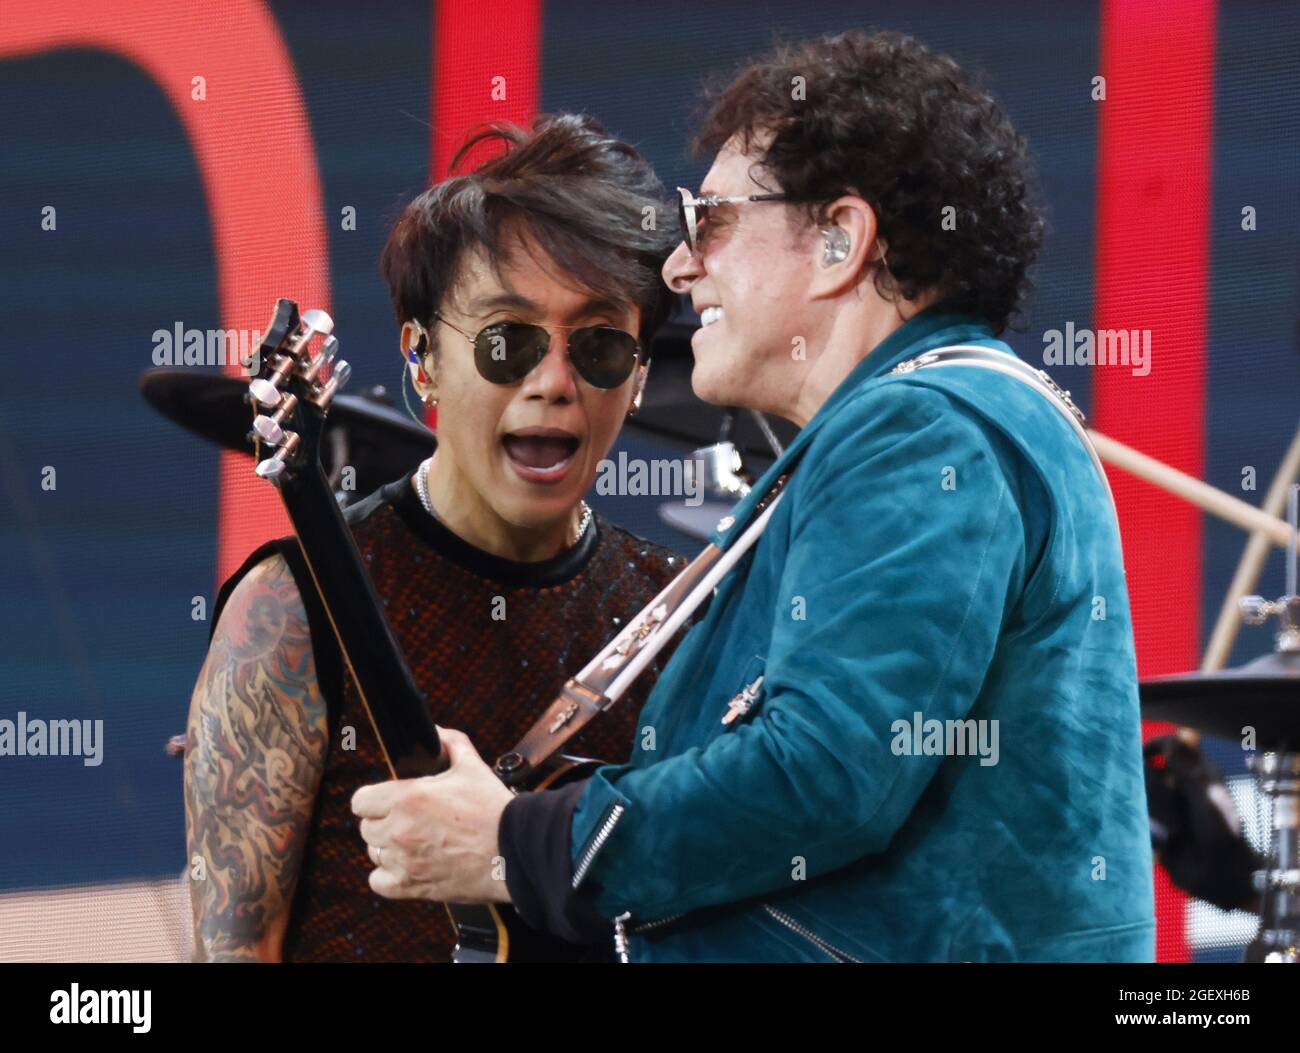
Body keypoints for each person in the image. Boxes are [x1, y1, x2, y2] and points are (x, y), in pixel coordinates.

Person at [352, 30, 1156, 963]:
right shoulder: (932, 419)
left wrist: (511, 845)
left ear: (838, 241)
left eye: (713, 222)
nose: (681, 267)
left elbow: (824, 776)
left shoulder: (920, 432)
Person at [183, 113, 684, 962]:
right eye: (507, 341)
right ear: (421, 360)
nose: (554, 382)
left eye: (598, 346)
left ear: (637, 378)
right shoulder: (292, 610)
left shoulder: (681, 616)